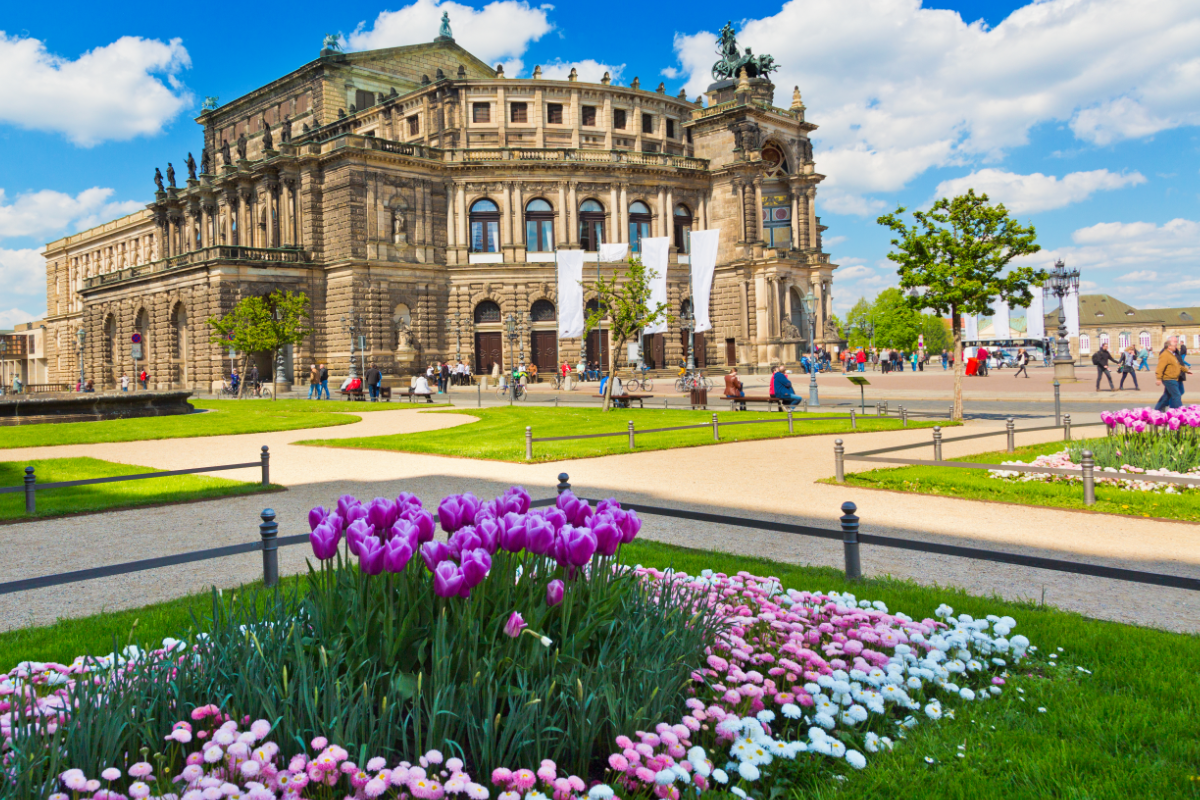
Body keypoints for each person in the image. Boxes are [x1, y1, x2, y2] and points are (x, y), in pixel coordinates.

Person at [1155, 336, 1187, 410]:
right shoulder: (1165, 354)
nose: (1176, 345)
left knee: (1166, 396)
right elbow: (1160, 367)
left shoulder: (1172, 354)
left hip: (1174, 378)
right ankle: (1180, 411)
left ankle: (1157, 410)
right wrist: (1158, 378)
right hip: (1169, 378)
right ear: (1169, 346)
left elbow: (1177, 364)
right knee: (1176, 395)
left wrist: (1186, 370)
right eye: (1174, 344)